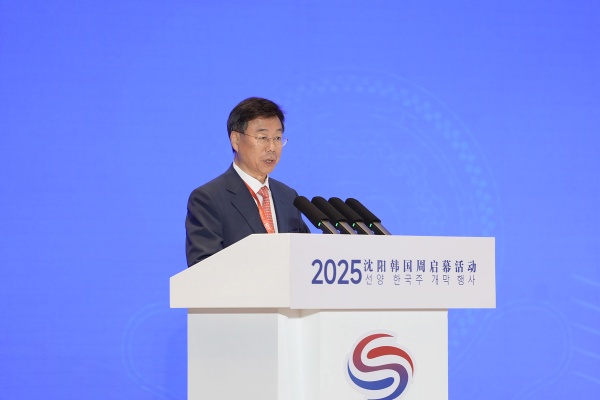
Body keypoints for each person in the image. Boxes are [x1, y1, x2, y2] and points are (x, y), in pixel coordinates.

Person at [185, 97, 310, 267]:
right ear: (236, 140)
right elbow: (203, 267)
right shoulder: (208, 199)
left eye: (277, 138)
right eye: (263, 137)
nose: (272, 147)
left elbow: (305, 256)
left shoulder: (288, 197)